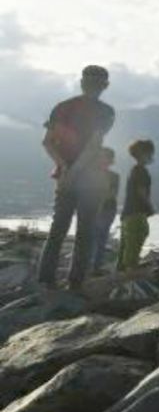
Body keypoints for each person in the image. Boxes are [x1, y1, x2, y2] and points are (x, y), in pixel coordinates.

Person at [35, 65, 116, 291]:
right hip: (91, 179)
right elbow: (92, 146)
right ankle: (76, 283)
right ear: (105, 86)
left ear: (82, 82)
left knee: (58, 229)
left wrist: (64, 168)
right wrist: (75, 172)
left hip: (65, 176)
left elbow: (47, 143)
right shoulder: (106, 112)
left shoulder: (62, 107)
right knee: (85, 230)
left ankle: (45, 281)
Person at [116, 139, 155, 272]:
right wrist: (149, 206)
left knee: (127, 240)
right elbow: (141, 191)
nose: (152, 157)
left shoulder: (134, 170)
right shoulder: (140, 171)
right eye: (150, 154)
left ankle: (122, 267)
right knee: (138, 235)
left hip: (128, 212)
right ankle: (131, 267)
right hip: (136, 211)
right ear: (143, 154)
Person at [90, 146, 120, 275]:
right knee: (93, 239)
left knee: (101, 239)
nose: (104, 160)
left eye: (107, 157)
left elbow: (112, 193)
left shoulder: (114, 176)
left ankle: (96, 267)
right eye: (102, 157)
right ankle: (91, 267)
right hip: (94, 209)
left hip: (107, 209)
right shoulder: (91, 174)